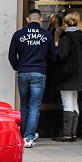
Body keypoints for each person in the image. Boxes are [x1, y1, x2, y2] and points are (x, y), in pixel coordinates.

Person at [8, 9, 57, 148]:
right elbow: (53, 56)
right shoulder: (47, 35)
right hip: (39, 72)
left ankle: (23, 134)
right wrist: (45, 65)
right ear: (40, 19)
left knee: (24, 104)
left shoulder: (19, 35)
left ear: (27, 19)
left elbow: (11, 55)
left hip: (23, 72)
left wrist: (18, 67)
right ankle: (29, 137)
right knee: (35, 106)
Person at [51, 12, 82, 142]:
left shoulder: (66, 39)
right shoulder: (81, 38)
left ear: (66, 24)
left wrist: (56, 48)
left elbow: (62, 56)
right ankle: (73, 133)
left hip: (67, 76)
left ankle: (67, 134)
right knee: (74, 103)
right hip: (78, 76)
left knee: (67, 103)